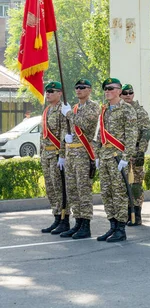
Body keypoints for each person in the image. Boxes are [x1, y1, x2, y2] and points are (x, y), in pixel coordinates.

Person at [96, 78, 137, 242]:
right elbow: (99, 135)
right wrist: (97, 154)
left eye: (111, 88)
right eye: (105, 88)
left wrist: (126, 158)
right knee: (107, 193)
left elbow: (132, 135)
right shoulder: (104, 110)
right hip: (105, 157)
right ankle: (112, 225)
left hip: (117, 157)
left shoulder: (127, 110)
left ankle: (121, 228)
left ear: (119, 91)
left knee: (119, 193)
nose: (107, 91)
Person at [60, 79, 100, 239]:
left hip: (84, 154)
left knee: (83, 190)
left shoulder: (93, 107)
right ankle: (77, 222)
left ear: (89, 90)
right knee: (72, 190)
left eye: (82, 87)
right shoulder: (75, 108)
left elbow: (85, 123)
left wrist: (69, 114)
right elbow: (68, 128)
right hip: (71, 155)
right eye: (77, 87)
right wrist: (66, 138)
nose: (79, 90)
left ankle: (86, 225)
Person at [120, 84, 150, 226]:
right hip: (119, 153)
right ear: (120, 95)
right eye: (124, 93)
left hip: (135, 153)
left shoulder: (140, 111)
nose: (127, 95)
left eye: (130, 93)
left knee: (136, 185)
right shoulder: (116, 110)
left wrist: (140, 151)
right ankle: (125, 213)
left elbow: (146, 133)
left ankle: (136, 214)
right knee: (121, 184)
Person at [40, 81, 69, 234]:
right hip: (46, 155)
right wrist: (41, 154)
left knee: (60, 188)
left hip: (57, 154)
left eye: (52, 91)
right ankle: (56, 217)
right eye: (47, 91)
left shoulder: (62, 110)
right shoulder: (47, 111)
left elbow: (64, 134)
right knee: (51, 188)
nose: (48, 93)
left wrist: (62, 155)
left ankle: (65, 219)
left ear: (60, 93)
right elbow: (42, 135)